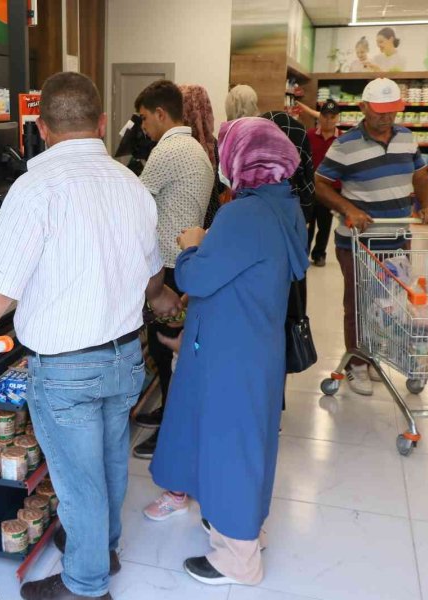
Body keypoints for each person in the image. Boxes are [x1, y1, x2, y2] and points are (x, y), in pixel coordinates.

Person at [0, 72, 181, 600]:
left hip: (67, 366)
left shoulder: (35, 190)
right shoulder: (132, 184)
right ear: (101, 123)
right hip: (125, 355)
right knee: (108, 463)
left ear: (42, 127)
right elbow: (152, 276)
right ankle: (103, 550)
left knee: (79, 481)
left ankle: (85, 585)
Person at [150, 117, 308, 587]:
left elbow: (196, 279)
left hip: (230, 353)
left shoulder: (244, 214)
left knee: (229, 446)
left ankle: (235, 557)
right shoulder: (285, 206)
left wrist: (192, 246)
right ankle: (243, 529)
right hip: (254, 343)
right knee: (247, 441)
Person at [315, 78, 428, 396]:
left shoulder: (407, 137)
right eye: (380, 111)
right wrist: (347, 209)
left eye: (392, 111)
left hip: (398, 238)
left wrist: (426, 205)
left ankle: (373, 356)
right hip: (358, 243)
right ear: (363, 108)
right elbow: (319, 183)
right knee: (358, 303)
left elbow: (419, 175)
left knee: (390, 304)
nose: (386, 118)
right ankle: (356, 363)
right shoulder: (345, 145)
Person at [131, 80, 214, 459]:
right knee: (172, 350)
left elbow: (137, 201)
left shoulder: (168, 150)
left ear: (161, 114)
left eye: (145, 118)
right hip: (185, 260)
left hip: (166, 265)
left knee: (167, 351)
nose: (143, 127)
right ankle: (171, 414)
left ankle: (171, 431)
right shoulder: (196, 147)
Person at [179, 84, 224, 227]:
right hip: (212, 221)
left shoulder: (178, 147)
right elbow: (221, 185)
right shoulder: (215, 145)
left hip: (183, 224)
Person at [305, 99, 341, 267]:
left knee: (325, 225)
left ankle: (319, 254)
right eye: (325, 116)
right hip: (310, 188)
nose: (328, 120)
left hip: (330, 191)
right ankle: (303, 252)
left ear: (337, 118)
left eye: (332, 117)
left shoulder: (343, 139)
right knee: (307, 223)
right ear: (319, 116)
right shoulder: (309, 135)